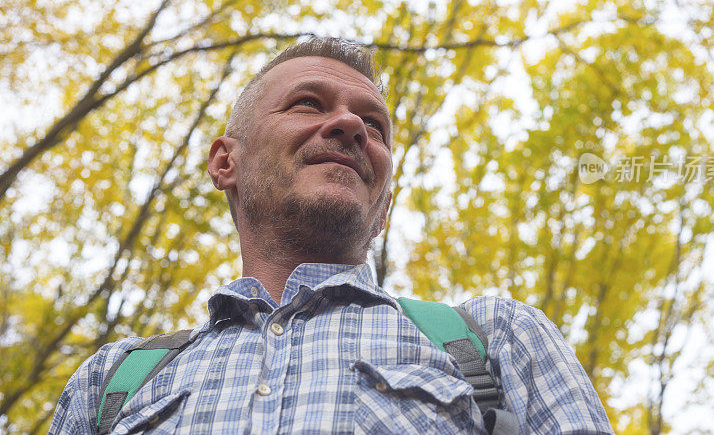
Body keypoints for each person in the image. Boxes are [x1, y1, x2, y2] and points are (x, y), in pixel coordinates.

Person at [50, 37, 613, 434]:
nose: (351, 128)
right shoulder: (111, 381)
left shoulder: (497, 341)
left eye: (375, 127)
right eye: (308, 104)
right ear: (226, 162)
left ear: (384, 205)